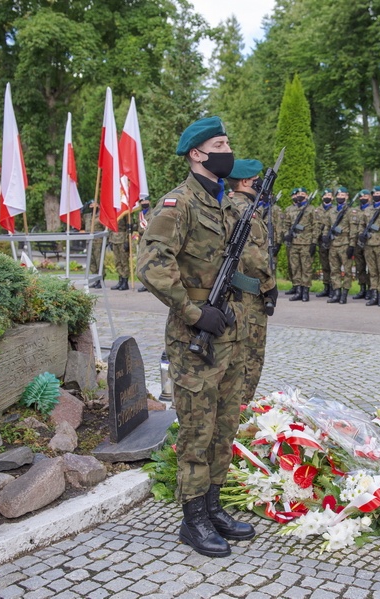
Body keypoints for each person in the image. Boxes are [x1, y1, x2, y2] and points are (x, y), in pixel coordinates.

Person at [136, 116, 265, 558]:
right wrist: (193, 311)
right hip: (195, 338)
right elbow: (152, 265)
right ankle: (193, 520)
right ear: (197, 153)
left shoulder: (227, 204)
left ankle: (213, 507)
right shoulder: (179, 203)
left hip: (228, 335)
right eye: (221, 143)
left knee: (224, 425)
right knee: (197, 429)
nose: (228, 149)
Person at [225, 159, 278, 403]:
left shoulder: (229, 204)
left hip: (235, 293)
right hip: (247, 295)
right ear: (245, 182)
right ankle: (240, 411)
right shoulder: (243, 209)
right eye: (256, 179)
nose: (260, 184)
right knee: (250, 357)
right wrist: (270, 284)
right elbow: (251, 254)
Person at [358, 186, 380, 306]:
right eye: (374, 193)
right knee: (372, 271)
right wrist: (361, 235)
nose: (376, 195)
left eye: (379, 193)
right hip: (369, 244)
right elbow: (361, 225)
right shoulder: (367, 210)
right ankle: (374, 295)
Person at [284, 187, 318, 301]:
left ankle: (305, 291)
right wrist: (287, 235)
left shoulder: (311, 209)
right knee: (295, 267)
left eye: (303, 193)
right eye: (298, 193)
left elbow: (316, 226)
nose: (300, 195)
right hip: (294, 243)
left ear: (307, 196)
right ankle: (298, 290)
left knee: (306, 268)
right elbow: (286, 224)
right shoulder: (290, 210)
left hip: (306, 243)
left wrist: (313, 242)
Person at [324, 187, 356, 304]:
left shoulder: (350, 211)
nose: (340, 197)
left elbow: (353, 230)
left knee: (347, 270)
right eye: (339, 195)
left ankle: (344, 293)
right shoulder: (331, 211)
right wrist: (325, 237)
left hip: (345, 244)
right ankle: (336, 292)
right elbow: (327, 226)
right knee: (334, 270)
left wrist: (352, 245)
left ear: (347, 196)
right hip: (333, 244)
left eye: (343, 195)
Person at [352, 189, 373, 300]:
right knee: (360, 267)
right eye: (361, 197)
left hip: (369, 242)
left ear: (369, 197)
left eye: (365, 196)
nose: (363, 198)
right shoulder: (354, 211)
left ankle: (370, 289)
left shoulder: (373, 210)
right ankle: (362, 288)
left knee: (370, 267)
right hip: (356, 243)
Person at [316, 188, 335, 298]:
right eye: (325, 195)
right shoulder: (317, 210)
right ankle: (326, 286)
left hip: (332, 241)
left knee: (333, 265)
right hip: (321, 241)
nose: (327, 197)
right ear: (322, 197)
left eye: (329, 195)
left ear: (332, 198)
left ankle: (333, 287)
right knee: (324, 265)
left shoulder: (335, 209)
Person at [82, 200, 105, 288]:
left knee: (99, 261)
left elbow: (105, 228)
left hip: (98, 241)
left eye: (94, 204)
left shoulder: (101, 215)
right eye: (90, 204)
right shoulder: (87, 216)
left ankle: (101, 279)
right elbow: (80, 222)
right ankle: (95, 279)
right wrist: (84, 209)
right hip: (89, 241)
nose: (92, 206)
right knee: (91, 262)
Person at [108, 214, 131, 290]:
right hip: (114, 239)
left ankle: (125, 281)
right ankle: (120, 280)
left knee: (124, 261)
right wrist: (110, 240)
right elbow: (110, 227)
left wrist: (127, 241)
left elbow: (129, 227)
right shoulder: (113, 212)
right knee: (117, 261)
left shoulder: (124, 212)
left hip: (122, 239)